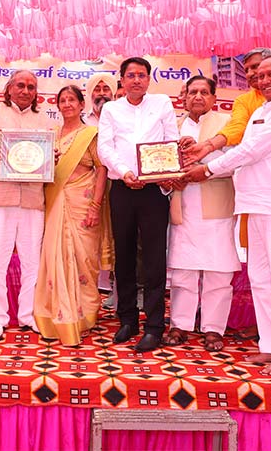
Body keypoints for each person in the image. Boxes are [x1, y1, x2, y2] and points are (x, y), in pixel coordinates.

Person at [185, 56, 271, 376]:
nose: (264, 81)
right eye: (259, 76)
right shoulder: (261, 110)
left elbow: (253, 150)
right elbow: (245, 154)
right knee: (261, 281)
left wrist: (207, 169)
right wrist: (208, 160)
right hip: (257, 205)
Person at [97, 56, 179, 352]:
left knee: (155, 258)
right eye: (130, 75)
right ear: (122, 80)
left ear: (148, 79)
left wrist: (162, 174)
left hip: (154, 190)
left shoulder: (162, 104)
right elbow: (105, 147)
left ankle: (154, 326)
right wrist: (125, 173)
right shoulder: (111, 109)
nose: (136, 80)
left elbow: (171, 141)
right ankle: (128, 319)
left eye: (141, 75)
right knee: (125, 256)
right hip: (122, 188)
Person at [163, 76, 240, 351]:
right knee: (183, 269)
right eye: (193, 92)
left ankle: (213, 328)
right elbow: (160, 164)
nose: (198, 96)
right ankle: (180, 325)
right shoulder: (172, 126)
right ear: (184, 98)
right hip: (182, 206)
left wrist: (204, 169)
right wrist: (170, 181)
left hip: (217, 204)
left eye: (204, 92)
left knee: (218, 270)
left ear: (213, 98)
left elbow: (236, 161)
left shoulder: (227, 125)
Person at [33, 85, 112, 346]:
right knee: (54, 257)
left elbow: (102, 169)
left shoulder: (90, 134)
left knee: (83, 261)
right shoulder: (51, 135)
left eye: (72, 100)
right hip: (55, 201)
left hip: (83, 203)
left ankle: (84, 316)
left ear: (81, 105)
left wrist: (95, 206)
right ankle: (56, 316)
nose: (67, 104)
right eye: (62, 100)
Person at [0, 70, 52, 342]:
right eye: (20, 85)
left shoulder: (44, 120)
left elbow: (46, 157)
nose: (25, 91)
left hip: (32, 200)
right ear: (9, 88)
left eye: (31, 87)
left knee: (32, 262)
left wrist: (50, 157)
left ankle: (27, 315)